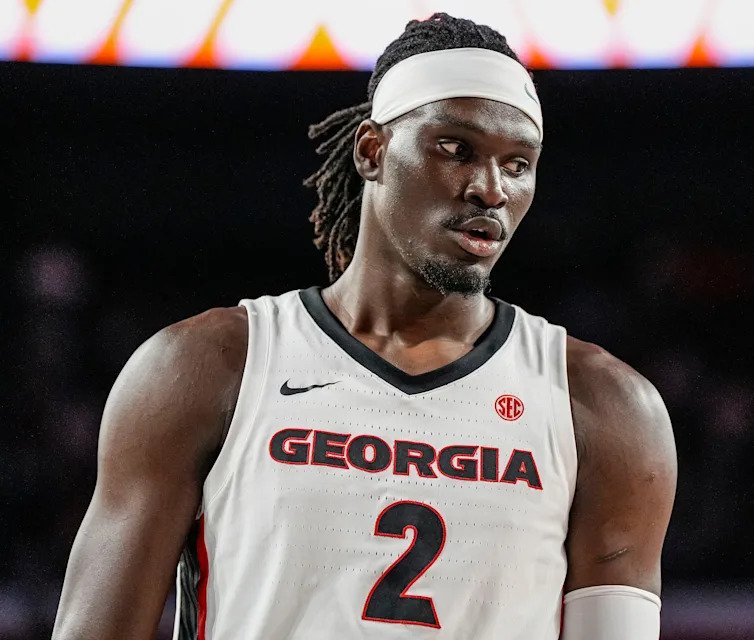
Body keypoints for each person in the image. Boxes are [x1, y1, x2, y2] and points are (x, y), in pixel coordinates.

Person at [51, 13, 676, 640]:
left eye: (517, 164)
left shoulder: (605, 407)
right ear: (372, 152)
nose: (490, 189)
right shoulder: (206, 367)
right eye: (455, 149)